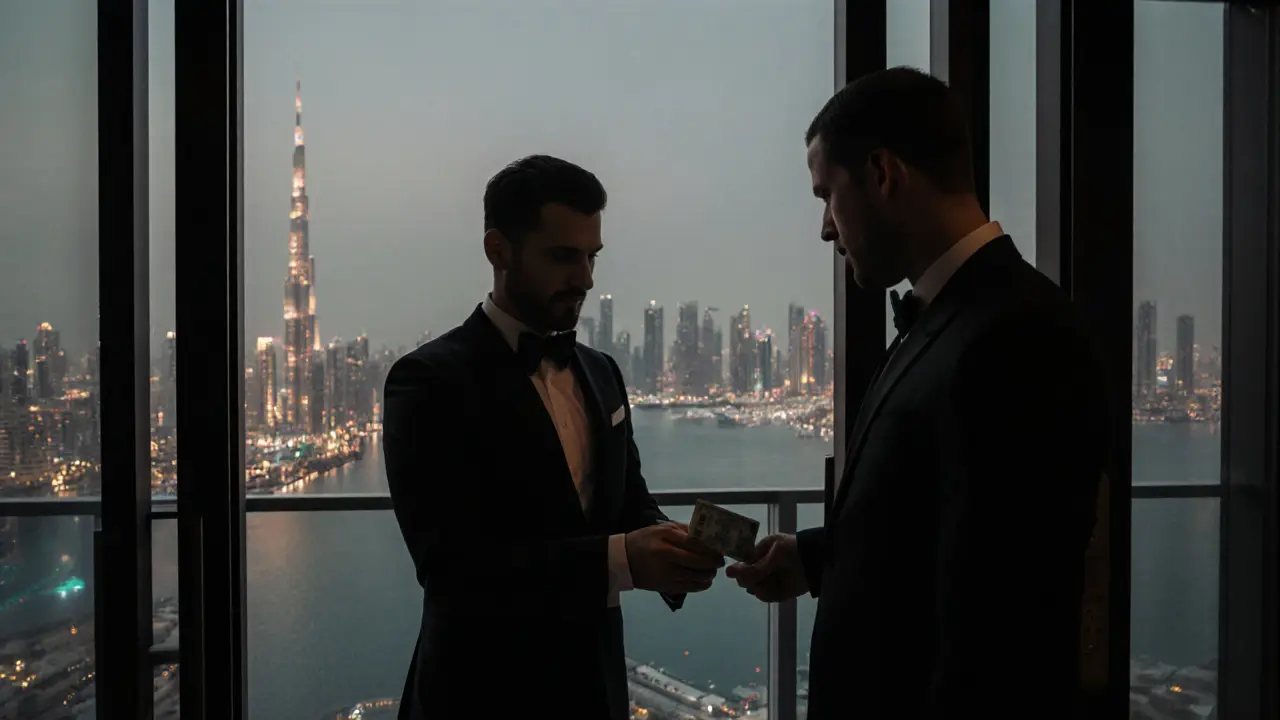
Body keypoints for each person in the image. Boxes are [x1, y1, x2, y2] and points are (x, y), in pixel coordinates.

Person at [726, 67, 1111, 717]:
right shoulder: (957, 318)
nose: (825, 227)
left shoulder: (1018, 338)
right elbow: (940, 529)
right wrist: (819, 558)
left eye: (827, 195)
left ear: (883, 174)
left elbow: (1004, 627)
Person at [383, 154, 724, 720]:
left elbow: (627, 503)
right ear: (498, 250)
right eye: (564, 256)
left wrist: (674, 545)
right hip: (478, 694)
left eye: (592, 257)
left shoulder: (601, 372)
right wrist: (623, 560)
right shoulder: (428, 381)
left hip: (596, 689)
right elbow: (453, 570)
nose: (586, 278)